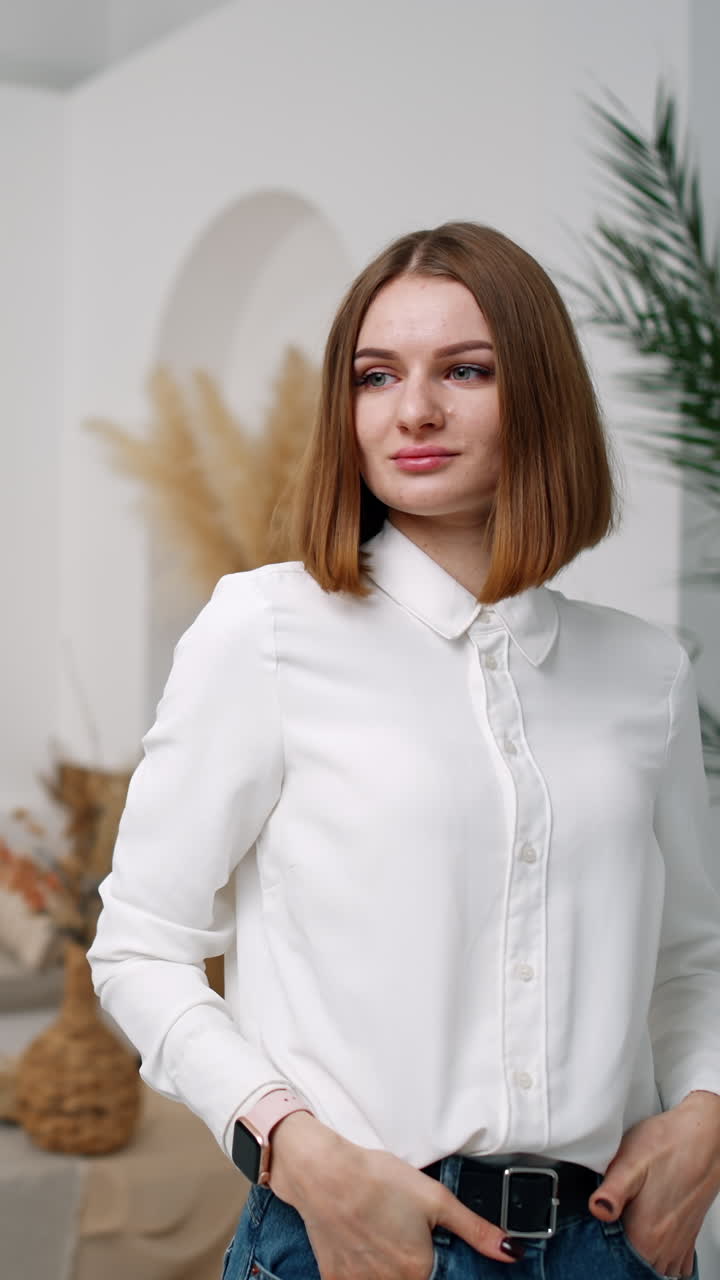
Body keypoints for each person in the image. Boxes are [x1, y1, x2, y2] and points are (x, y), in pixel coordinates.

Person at [87, 221, 720, 1280]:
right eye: (376, 375)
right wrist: (291, 1144)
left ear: (542, 395)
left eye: (465, 370)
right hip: (359, 1240)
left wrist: (706, 1110)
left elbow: (690, 953)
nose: (413, 409)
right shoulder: (266, 631)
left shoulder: (644, 669)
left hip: (615, 1242)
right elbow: (139, 943)